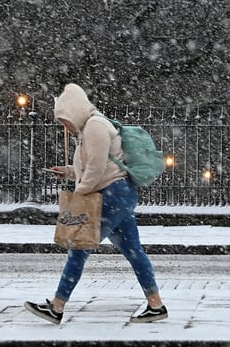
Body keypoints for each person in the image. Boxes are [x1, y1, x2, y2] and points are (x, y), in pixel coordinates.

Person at [24, 83, 167, 325]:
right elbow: (96, 165)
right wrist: (70, 172)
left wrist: (79, 193)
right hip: (119, 194)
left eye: (64, 118)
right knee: (134, 252)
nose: (64, 125)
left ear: (74, 110)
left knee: (79, 248)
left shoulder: (95, 127)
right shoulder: (89, 127)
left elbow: (98, 168)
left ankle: (56, 307)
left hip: (112, 195)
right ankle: (156, 305)